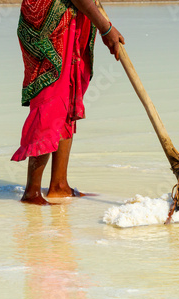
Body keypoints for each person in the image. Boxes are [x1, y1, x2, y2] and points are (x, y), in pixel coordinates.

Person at [11, 0, 124, 205]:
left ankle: (59, 185)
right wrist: (106, 29)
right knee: (51, 101)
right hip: (50, 24)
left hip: (69, 16)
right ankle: (32, 192)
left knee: (68, 94)